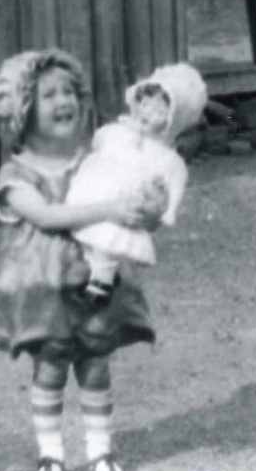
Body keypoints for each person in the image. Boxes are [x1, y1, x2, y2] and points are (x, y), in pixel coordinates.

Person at [0, 49, 163, 471]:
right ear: (23, 110)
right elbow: (47, 216)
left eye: (69, 91)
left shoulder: (94, 160)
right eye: (48, 95)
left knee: (96, 364)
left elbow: (130, 197)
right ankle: (51, 455)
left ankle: (100, 453)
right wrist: (110, 208)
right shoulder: (16, 174)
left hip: (96, 281)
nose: (63, 100)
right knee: (50, 368)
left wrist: (145, 207)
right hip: (45, 288)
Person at [66, 63, 207, 301]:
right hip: (94, 191)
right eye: (144, 104)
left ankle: (101, 283)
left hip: (124, 204)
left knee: (108, 240)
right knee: (82, 230)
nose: (146, 113)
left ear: (173, 121)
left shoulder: (167, 158)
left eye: (158, 111)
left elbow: (171, 188)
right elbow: (98, 143)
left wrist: (162, 206)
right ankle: (86, 270)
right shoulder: (118, 131)